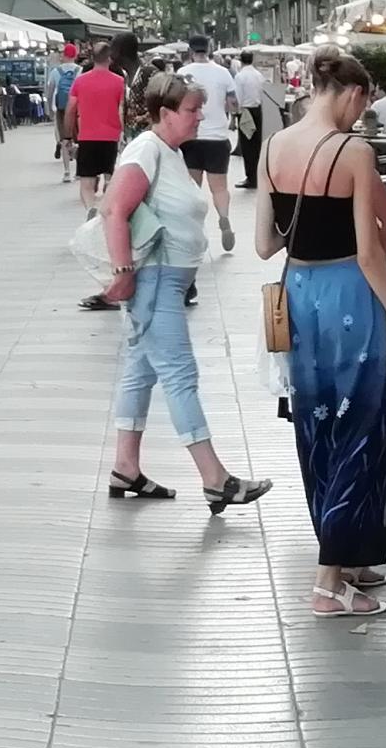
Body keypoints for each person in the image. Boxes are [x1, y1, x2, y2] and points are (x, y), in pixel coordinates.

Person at [264, 49, 386, 616]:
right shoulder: (354, 151)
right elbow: (371, 251)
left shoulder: (275, 147)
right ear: (353, 94)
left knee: (318, 425)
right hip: (349, 297)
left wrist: (306, 225)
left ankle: (346, 555)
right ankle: (329, 580)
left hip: (300, 301)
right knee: (361, 425)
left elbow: (265, 243)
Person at [95, 72, 271, 516]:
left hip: (163, 279)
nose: (199, 118)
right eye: (192, 110)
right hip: (153, 279)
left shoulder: (169, 152)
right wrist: (123, 271)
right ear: (165, 113)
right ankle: (215, 479)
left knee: (142, 372)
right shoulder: (146, 150)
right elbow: (114, 209)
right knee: (179, 373)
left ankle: (125, 467)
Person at [69, 42, 132, 311]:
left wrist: (69, 134)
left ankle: (90, 207)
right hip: (109, 136)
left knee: (85, 181)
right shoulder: (119, 81)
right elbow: (122, 111)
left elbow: (71, 109)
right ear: (110, 58)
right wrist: (121, 134)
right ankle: (103, 207)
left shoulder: (80, 81)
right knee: (110, 176)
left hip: (87, 135)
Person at [176, 37, 240, 252]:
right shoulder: (223, 73)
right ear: (211, 49)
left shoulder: (182, 74)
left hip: (190, 137)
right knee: (219, 187)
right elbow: (233, 103)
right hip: (217, 137)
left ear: (190, 50)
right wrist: (231, 114)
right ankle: (224, 218)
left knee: (193, 188)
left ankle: (194, 228)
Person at [233, 51, 282, 191]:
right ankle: (258, 175)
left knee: (247, 145)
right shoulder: (258, 75)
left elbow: (238, 97)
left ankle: (251, 177)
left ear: (241, 60)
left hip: (246, 111)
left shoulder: (240, 76)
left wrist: (236, 113)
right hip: (258, 110)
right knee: (257, 144)